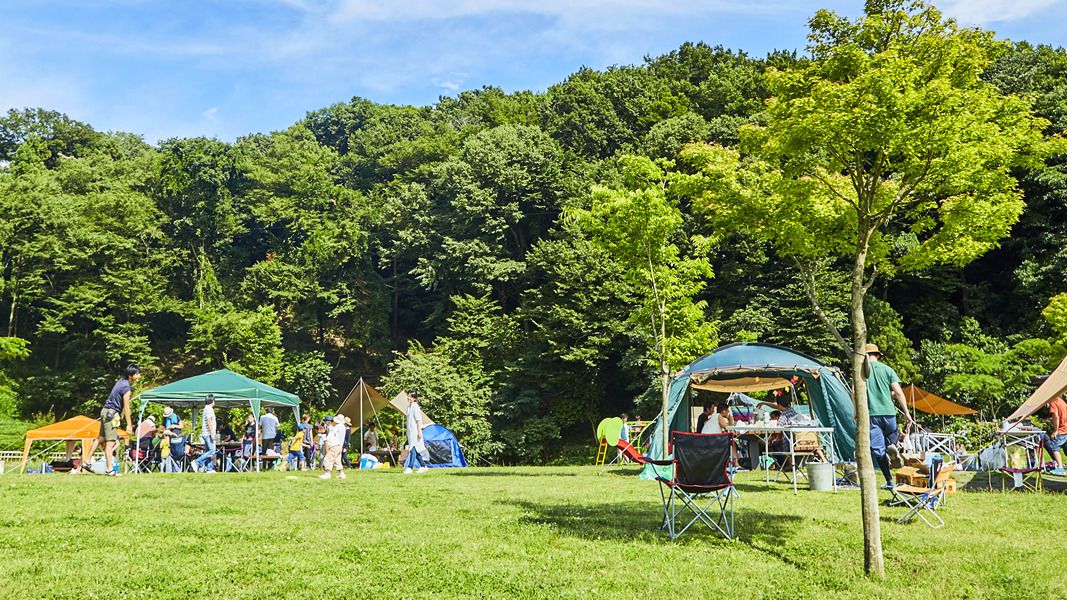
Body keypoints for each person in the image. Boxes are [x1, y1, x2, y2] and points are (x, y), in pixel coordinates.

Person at [864, 344, 913, 488]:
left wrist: (856, 412)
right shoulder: (888, 370)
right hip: (889, 413)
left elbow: (855, 393)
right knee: (891, 438)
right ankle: (893, 446)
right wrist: (907, 413)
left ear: (864, 357)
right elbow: (898, 392)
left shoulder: (861, 372)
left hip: (872, 415)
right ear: (877, 356)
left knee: (878, 450)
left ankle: (889, 480)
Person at [94, 365, 140, 476]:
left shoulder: (121, 381)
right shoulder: (126, 388)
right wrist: (129, 425)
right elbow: (127, 406)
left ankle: (87, 461)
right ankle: (109, 470)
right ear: (130, 375)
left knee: (101, 438)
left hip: (106, 411)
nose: (139, 376)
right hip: (111, 414)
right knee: (110, 443)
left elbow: (120, 402)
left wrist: (122, 413)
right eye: (137, 374)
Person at [403, 391, 429, 474]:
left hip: (415, 431)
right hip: (410, 432)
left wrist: (419, 431)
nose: (409, 398)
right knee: (415, 449)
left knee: (413, 449)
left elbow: (419, 420)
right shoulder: (408, 407)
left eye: (411, 397)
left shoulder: (415, 407)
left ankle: (410, 467)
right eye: (408, 396)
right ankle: (423, 466)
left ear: (414, 398)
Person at [1042, 393, 1067, 475]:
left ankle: (1060, 468)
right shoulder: (1061, 401)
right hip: (1066, 428)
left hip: (1061, 430)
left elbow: (1056, 416)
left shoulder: (1053, 402)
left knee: (1054, 448)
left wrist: (1056, 430)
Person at [193, 395, 218, 473]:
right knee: (211, 451)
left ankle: (209, 468)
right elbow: (209, 421)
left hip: (206, 433)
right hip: (208, 433)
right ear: (212, 401)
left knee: (208, 451)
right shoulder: (209, 409)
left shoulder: (206, 408)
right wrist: (212, 433)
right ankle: (196, 462)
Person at [319, 414, 347, 480]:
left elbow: (330, 435)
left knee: (327, 458)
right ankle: (341, 473)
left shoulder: (337, 427)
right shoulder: (343, 427)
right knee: (337, 460)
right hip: (340, 445)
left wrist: (323, 435)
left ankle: (327, 473)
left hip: (334, 445)